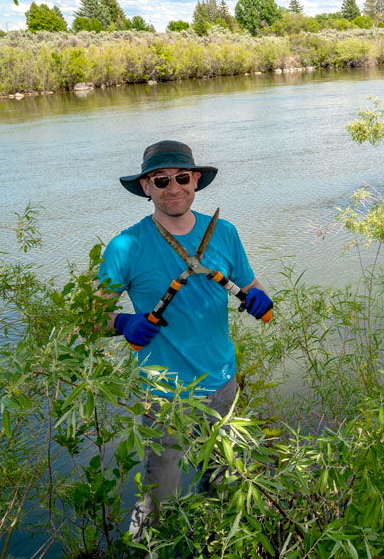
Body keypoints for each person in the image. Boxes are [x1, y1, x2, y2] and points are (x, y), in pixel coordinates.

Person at [99, 140, 273, 536]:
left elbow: (252, 286)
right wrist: (123, 324)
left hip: (223, 385)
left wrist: (261, 300)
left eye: (182, 177)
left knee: (227, 484)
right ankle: (147, 548)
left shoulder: (225, 233)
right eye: (161, 180)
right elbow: (88, 318)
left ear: (195, 180)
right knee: (159, 498)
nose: (173, 187)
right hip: (164, 396)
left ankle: (218, 543)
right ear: (146, 186)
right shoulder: (126, 246)